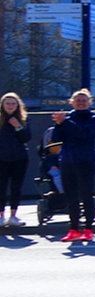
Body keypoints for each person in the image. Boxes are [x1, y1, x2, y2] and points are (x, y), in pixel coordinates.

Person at [50, 90, 95, 242]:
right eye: (77, 100)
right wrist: (59, 125)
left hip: (85, 161)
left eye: (84, 100)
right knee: (71, 197)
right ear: (71, 102)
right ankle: (73, 228)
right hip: (67, 161)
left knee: (86, 195)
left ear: (89, 103)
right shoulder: (67, 118)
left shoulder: (93, 118)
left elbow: (84, 134)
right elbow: (55, 139)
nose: (80, 102)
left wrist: (65, 122)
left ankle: (89, 228)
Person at [0, 93, 31, 229]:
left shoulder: (23, 119)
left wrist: (18, 126)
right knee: (1, 187)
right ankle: (1, 216)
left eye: (13, 103)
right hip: (1, 158)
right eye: (7, 103)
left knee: (16, 187)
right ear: (2, 105)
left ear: (17, 105)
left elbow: (26, 138)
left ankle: (13, 216)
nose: (10, 106)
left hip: (19, 158)